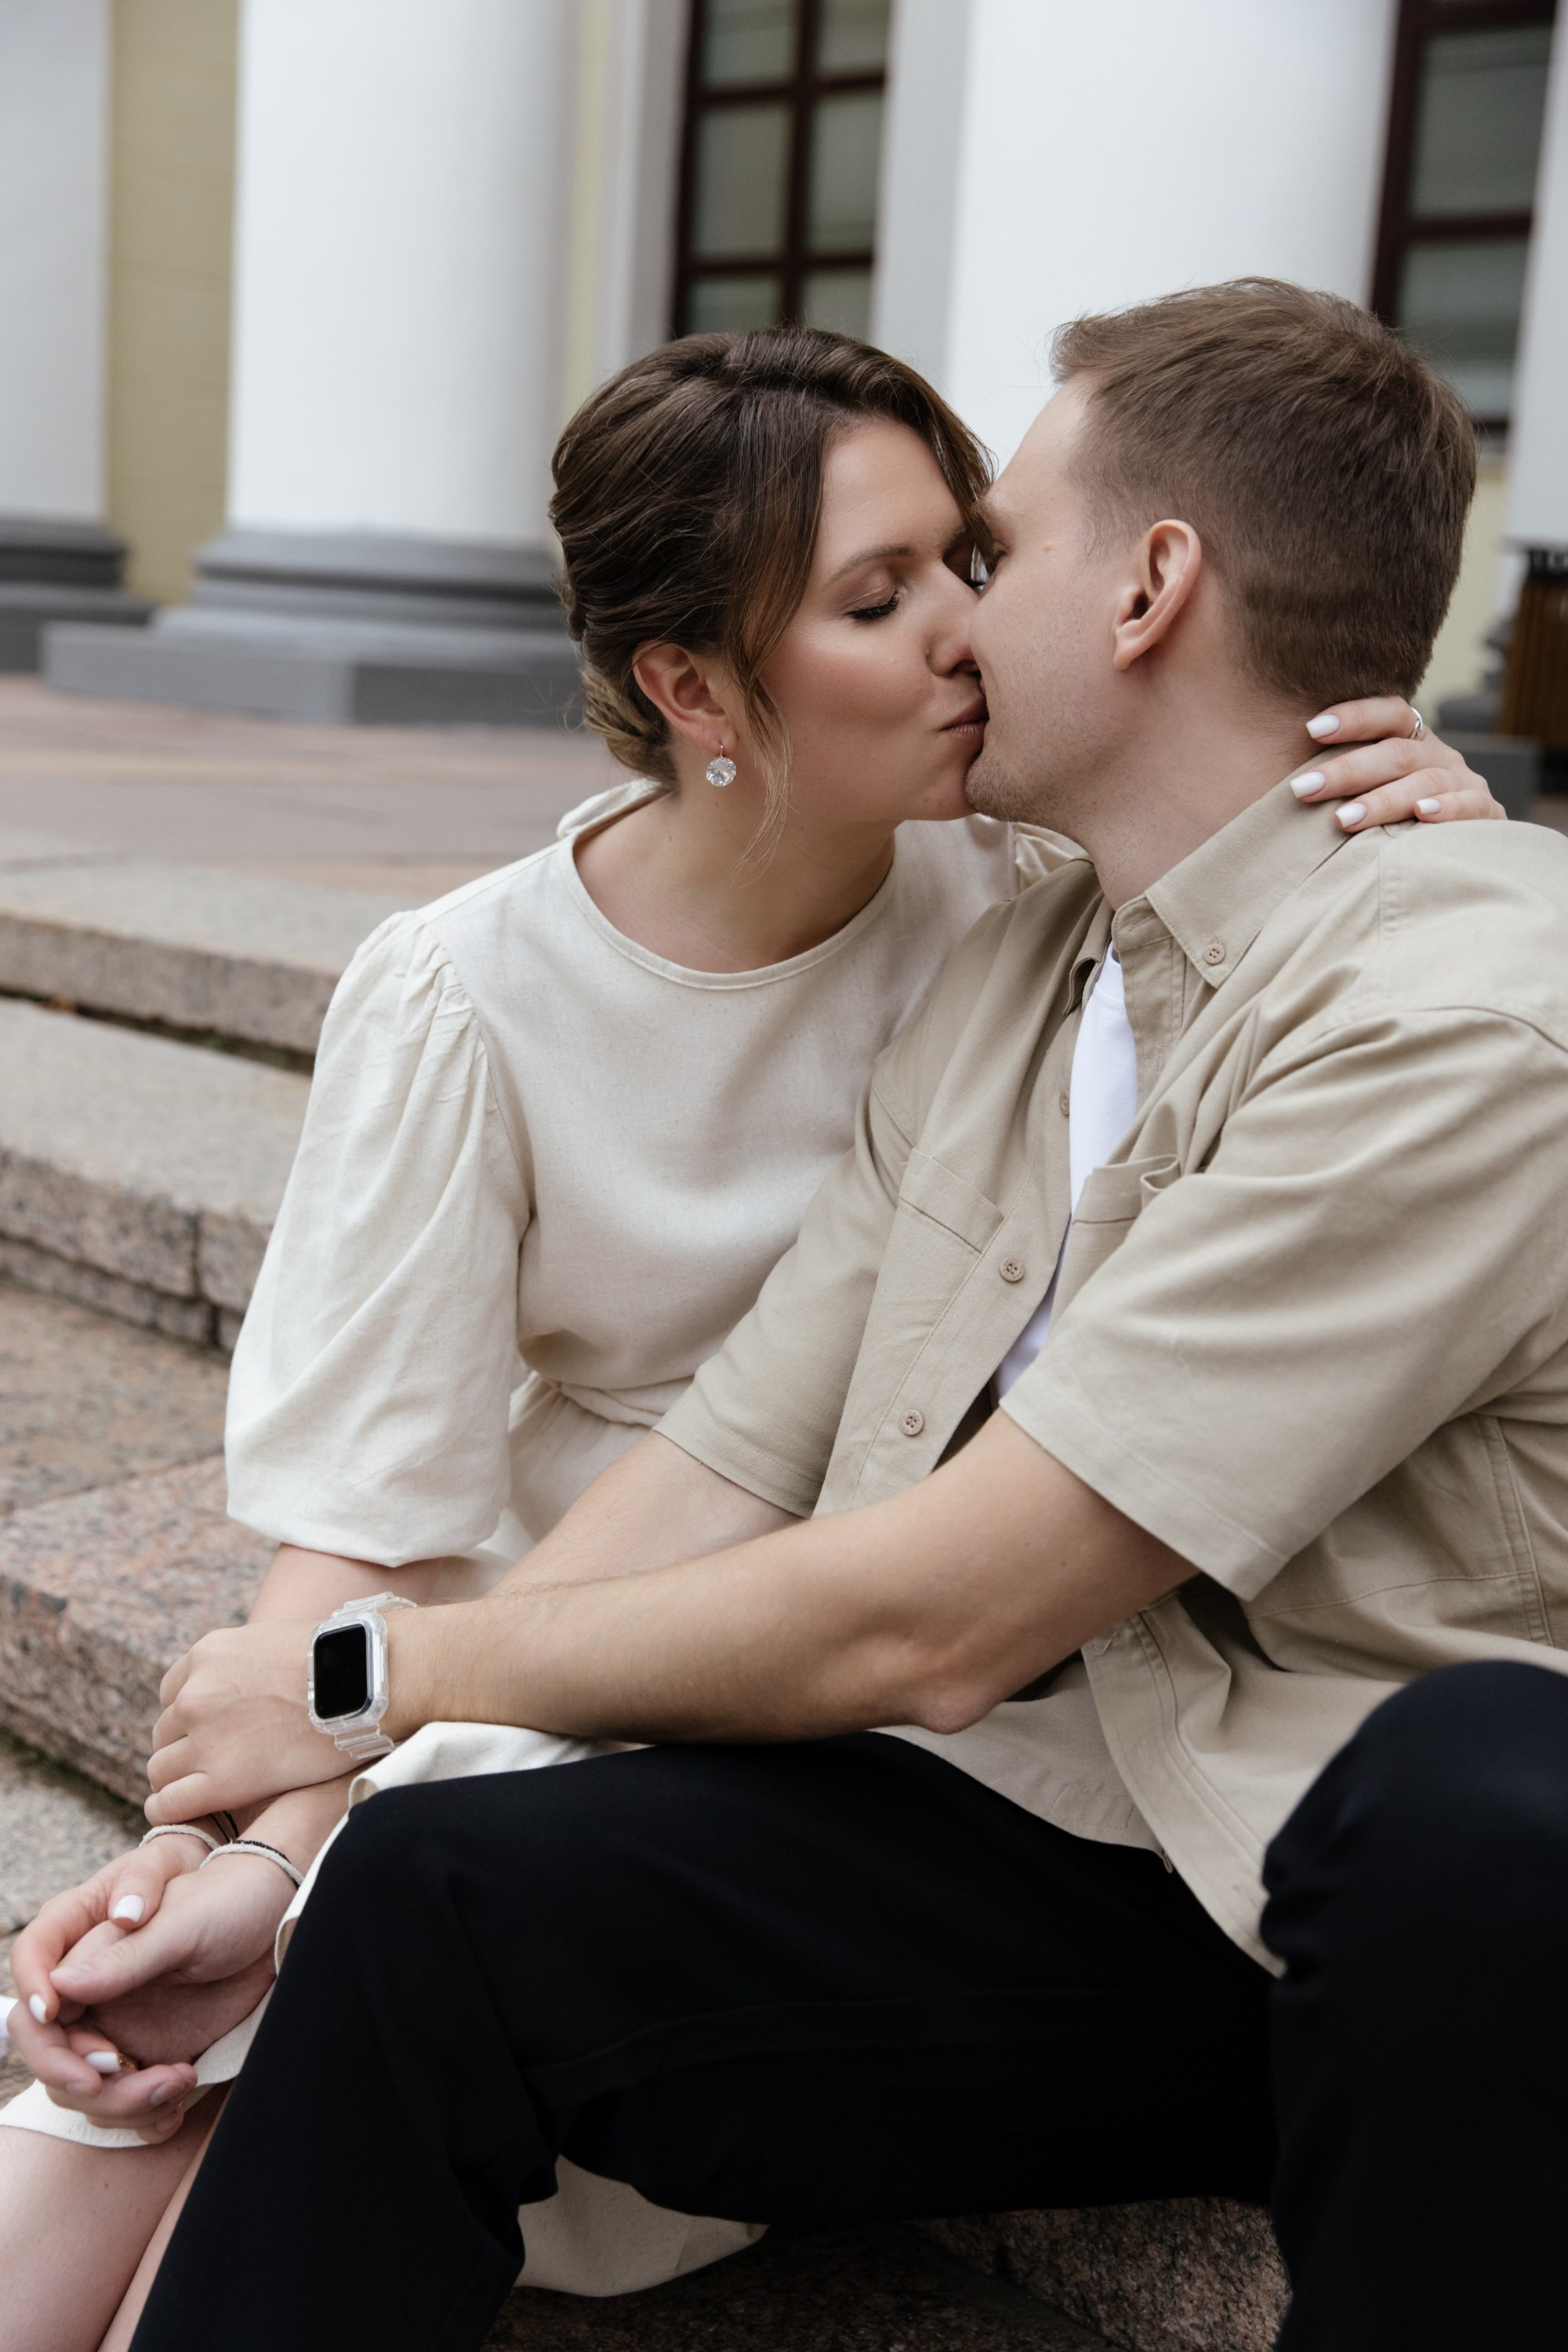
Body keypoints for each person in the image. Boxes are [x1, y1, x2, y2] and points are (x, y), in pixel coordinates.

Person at [0, 317, 1496, 2352]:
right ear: (691, 687)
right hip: (859, 1711)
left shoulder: (1298, 969)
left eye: (986, 553)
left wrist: (354, 1688)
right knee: (362, 1931)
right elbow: (715, 1447)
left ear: (1145, 591)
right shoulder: (996, 968)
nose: (965, 622)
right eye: (895, 587)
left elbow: (932, 1617)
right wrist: (289, 1835)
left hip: (1255, 1829)